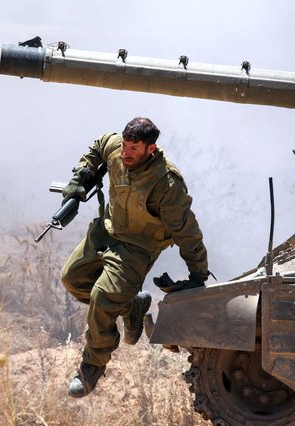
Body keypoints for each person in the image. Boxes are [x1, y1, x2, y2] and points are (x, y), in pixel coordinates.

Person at [60, 117, 209, 398]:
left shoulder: (167, 184)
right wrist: (81, 174)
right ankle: (131, 305)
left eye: (134, 149)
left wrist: (198, 274)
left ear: (151, 149)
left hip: (137, 247)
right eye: (125, 146)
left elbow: (187, 232)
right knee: (72, 279)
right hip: (107, 230)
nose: (125, 153)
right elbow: (98, 147)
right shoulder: (116, 146)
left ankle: (92, 365)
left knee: (103, 298)